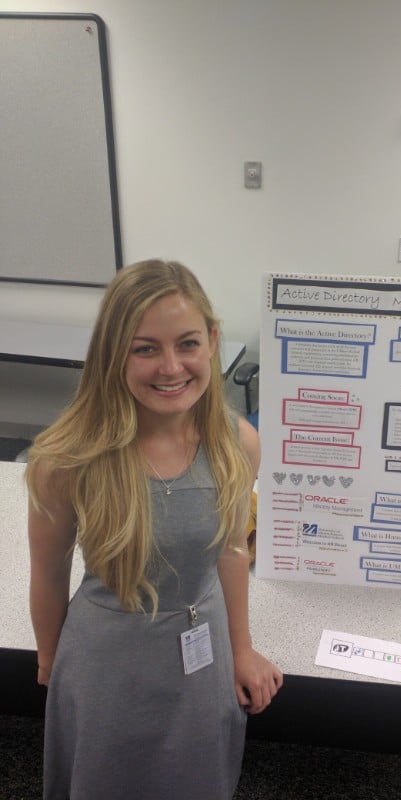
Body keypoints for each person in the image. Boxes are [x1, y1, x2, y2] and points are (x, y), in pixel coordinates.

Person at [26, 259, 282, 800]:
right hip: (106, 659)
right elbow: (48, 575)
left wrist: (242, 649)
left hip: (203, 646)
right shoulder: (67, 459)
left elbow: (232, 551)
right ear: (113, 353)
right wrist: (51, 665)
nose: (171, 367)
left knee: (195, 775)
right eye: (145, 349)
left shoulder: (236, 444)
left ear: (212, 342)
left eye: (187, 344)